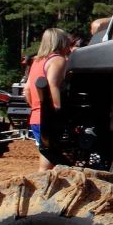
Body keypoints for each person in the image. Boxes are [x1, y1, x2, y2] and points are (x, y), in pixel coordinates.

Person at [26, 27, 74, 172]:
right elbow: (53, 84)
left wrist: (37, 108)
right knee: (50, 163)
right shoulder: (57, 60)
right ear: (61, 42)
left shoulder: (37, 61)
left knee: (45, 160)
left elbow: (27, 90)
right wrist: (58, 110)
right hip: (49, 118)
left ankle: (43, 190)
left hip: (36, 117)